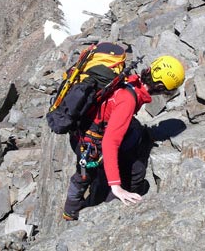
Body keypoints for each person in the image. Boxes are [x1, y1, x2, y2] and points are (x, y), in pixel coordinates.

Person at [63, 53, 185, 220]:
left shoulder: (131, 80)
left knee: (132, 144)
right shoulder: (129, 100)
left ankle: (76, 206)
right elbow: (110, 142)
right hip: (89, 141)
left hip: (84, 129)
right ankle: (76, 211)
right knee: (87, 173)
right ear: (159, 86)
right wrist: (116, 186)